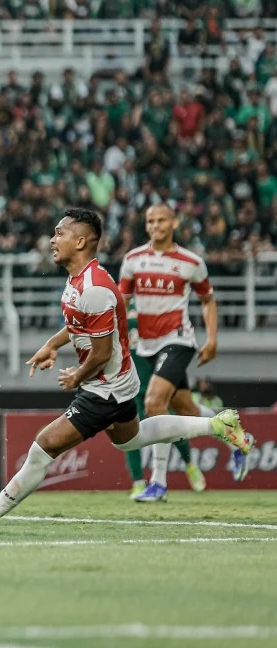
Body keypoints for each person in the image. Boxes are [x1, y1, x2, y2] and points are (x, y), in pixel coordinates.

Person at [0, 209, 252, 527]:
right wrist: (52, 344)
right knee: (132, 439)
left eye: (59, 233)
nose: (52, 240)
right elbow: (78, 324)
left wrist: (76, 376)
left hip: (105, 387)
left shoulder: (94, 288)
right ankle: (216, 425)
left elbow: (101, 353)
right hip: (117, 381)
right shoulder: (81, 280)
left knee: (44, 445)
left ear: (80, 242)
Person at [120, 203, 251, 503]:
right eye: (150, 221)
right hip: (146, 345)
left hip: (178, 340)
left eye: (161, 220)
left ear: (174, 223)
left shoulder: (191, 262)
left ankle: (158, 483)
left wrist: (212, 339)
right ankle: (238, 439)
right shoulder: (133, 260)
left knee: (154, 403)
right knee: (187, 409)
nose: (155, 226)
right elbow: (122, 303)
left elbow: (208, 300)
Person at [122, 309, 204, 497]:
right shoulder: (119, 311)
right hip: (130, 387)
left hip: (156, 384)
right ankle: (138, 482)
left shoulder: (155, 309)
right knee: (129, 434)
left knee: (171, 428)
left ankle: (190, 464)